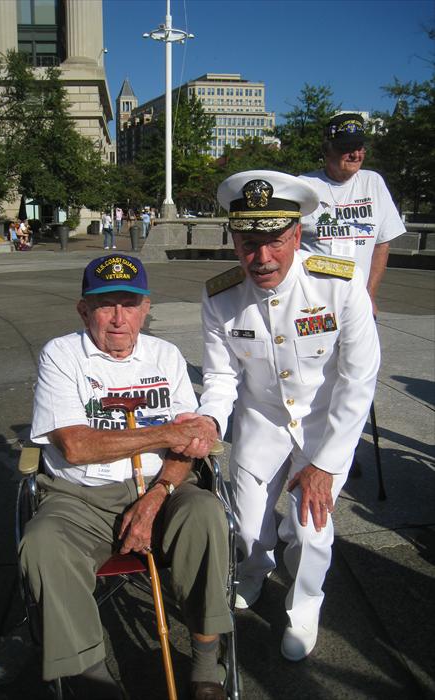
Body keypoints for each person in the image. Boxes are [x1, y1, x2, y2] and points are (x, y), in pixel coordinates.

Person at [19, 254, 229, 700]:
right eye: (105, 305)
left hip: (161, 489)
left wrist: (156, 496)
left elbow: (189, 447)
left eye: (129, 304)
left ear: (146, 308)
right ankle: (92, 678)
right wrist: (169, 432)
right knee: (42, 542)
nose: (118, 319)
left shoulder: (165, 356)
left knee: (207, 512)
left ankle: (208, 663)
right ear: (83, 310)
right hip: (80, 498)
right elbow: (76, 446)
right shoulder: (62, 354)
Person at [195, 171, 380, 662]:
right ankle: (255, 571)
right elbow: (220, 380)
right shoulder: (220, 297)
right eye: (248, 242)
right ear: (233, 238)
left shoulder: (339, 283)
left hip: (323, 426)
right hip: (262, 422)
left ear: (296, 235)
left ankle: (305, 605)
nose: (261, 257)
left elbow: (358, 380)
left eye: (274, 241)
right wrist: (209, 423)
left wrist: (325, 463)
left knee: (309, 527)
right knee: (248, 527)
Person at [299, 113, 406, 315]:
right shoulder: (304, 186)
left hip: (358, 301)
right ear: (326, 149)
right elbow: (288, 242)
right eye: (346, 148)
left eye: (359, 147)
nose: (355, 155)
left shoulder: (373, 183)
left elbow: (382, 244)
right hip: (312, 302)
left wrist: (369, 295)